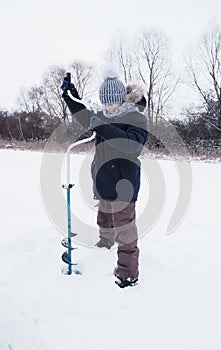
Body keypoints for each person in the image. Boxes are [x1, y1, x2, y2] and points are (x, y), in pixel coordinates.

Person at [61, 70, 148, 288]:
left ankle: (128, 275)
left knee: (125, 232)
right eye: (105, 103)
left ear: (121, 99)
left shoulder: (136, 117)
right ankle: (104, 246)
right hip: (103, 180)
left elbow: (132, 145)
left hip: (125, 184)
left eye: (112, 103)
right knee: (105, 220)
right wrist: (70, 96)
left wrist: (102, 127)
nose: (108, 107)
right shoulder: (102, 116)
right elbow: (84, 117)